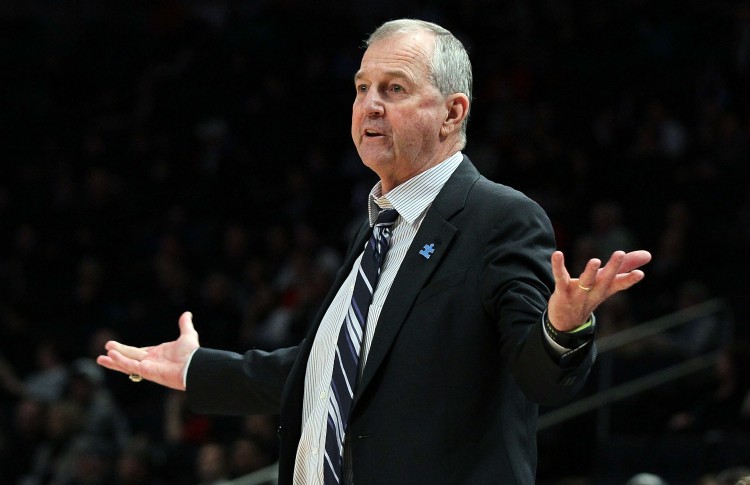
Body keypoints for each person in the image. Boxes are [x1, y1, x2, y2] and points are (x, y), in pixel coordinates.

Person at [97, 19, 651, 484]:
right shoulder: (377, 228)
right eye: (362, 88)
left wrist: (562, 328)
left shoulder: (498, 218)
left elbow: (540, 378)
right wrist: (198, 370)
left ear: (453, 113)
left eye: (394, 89)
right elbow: (333, 372)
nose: (370, 106)